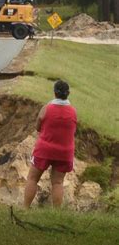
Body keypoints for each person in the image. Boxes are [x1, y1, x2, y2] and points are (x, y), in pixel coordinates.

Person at [24, 80, 77, 208]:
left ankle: (25, 209)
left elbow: (38, 127)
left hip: (45, 149)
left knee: (32, 179)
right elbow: (73, 131)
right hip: (65, 152)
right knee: (58, 183)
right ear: (68, 94)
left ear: (54, 93)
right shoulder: (73, 111)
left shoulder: (46, 108)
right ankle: (56, 213)